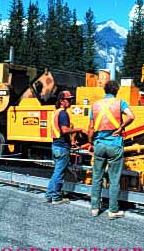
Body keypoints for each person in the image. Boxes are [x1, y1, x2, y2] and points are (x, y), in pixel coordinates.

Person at [88, 81, 135, 219]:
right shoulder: (120, 103)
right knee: (114, 180)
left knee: (97, 177)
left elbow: (91, 127)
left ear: (104, 90)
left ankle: (94, 209)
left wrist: (91, 142)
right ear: (117, 91)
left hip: (99, 145)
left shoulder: (95, 105)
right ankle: (113, 210)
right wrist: (120, 128)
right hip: (115, 145)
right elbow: (131, 116)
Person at [45, 91, 84, 205]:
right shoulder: (63, 114)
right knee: (59, 173)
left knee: (56, 172)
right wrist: (79, 129)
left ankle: (49, 195)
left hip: (56, 145)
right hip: (62, 147)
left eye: (71, 99)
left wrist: (71, 140)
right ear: (62, 101)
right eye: (68, 99)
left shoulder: (55, 112)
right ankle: (56, 198)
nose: (71, 101)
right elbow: (65, 130)